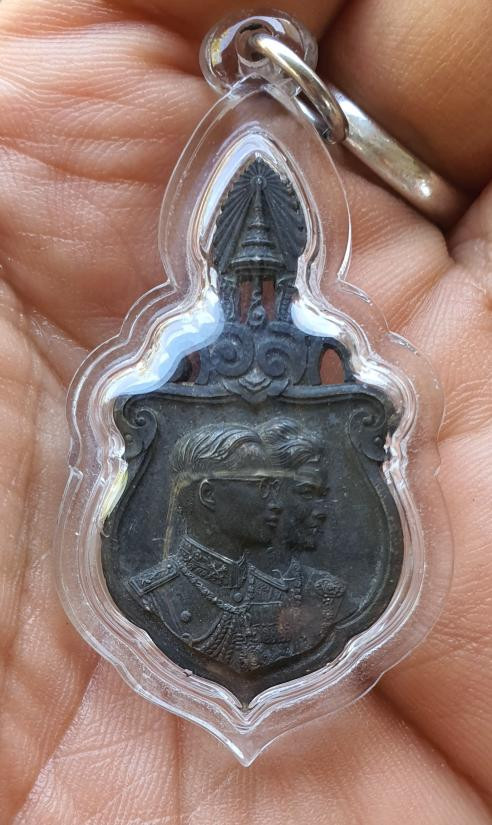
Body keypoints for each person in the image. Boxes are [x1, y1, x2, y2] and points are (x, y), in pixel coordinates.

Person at [1, 1, 491, 822]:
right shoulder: (158, 592)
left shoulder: (319, 595)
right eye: (269, 487)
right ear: (205, 494)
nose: (286, 505)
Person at [130, 421, 345, 674]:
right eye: (262, 486)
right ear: (209, 494)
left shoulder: (281, 591)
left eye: (274, 488)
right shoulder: (149, 596)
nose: (276, 503)